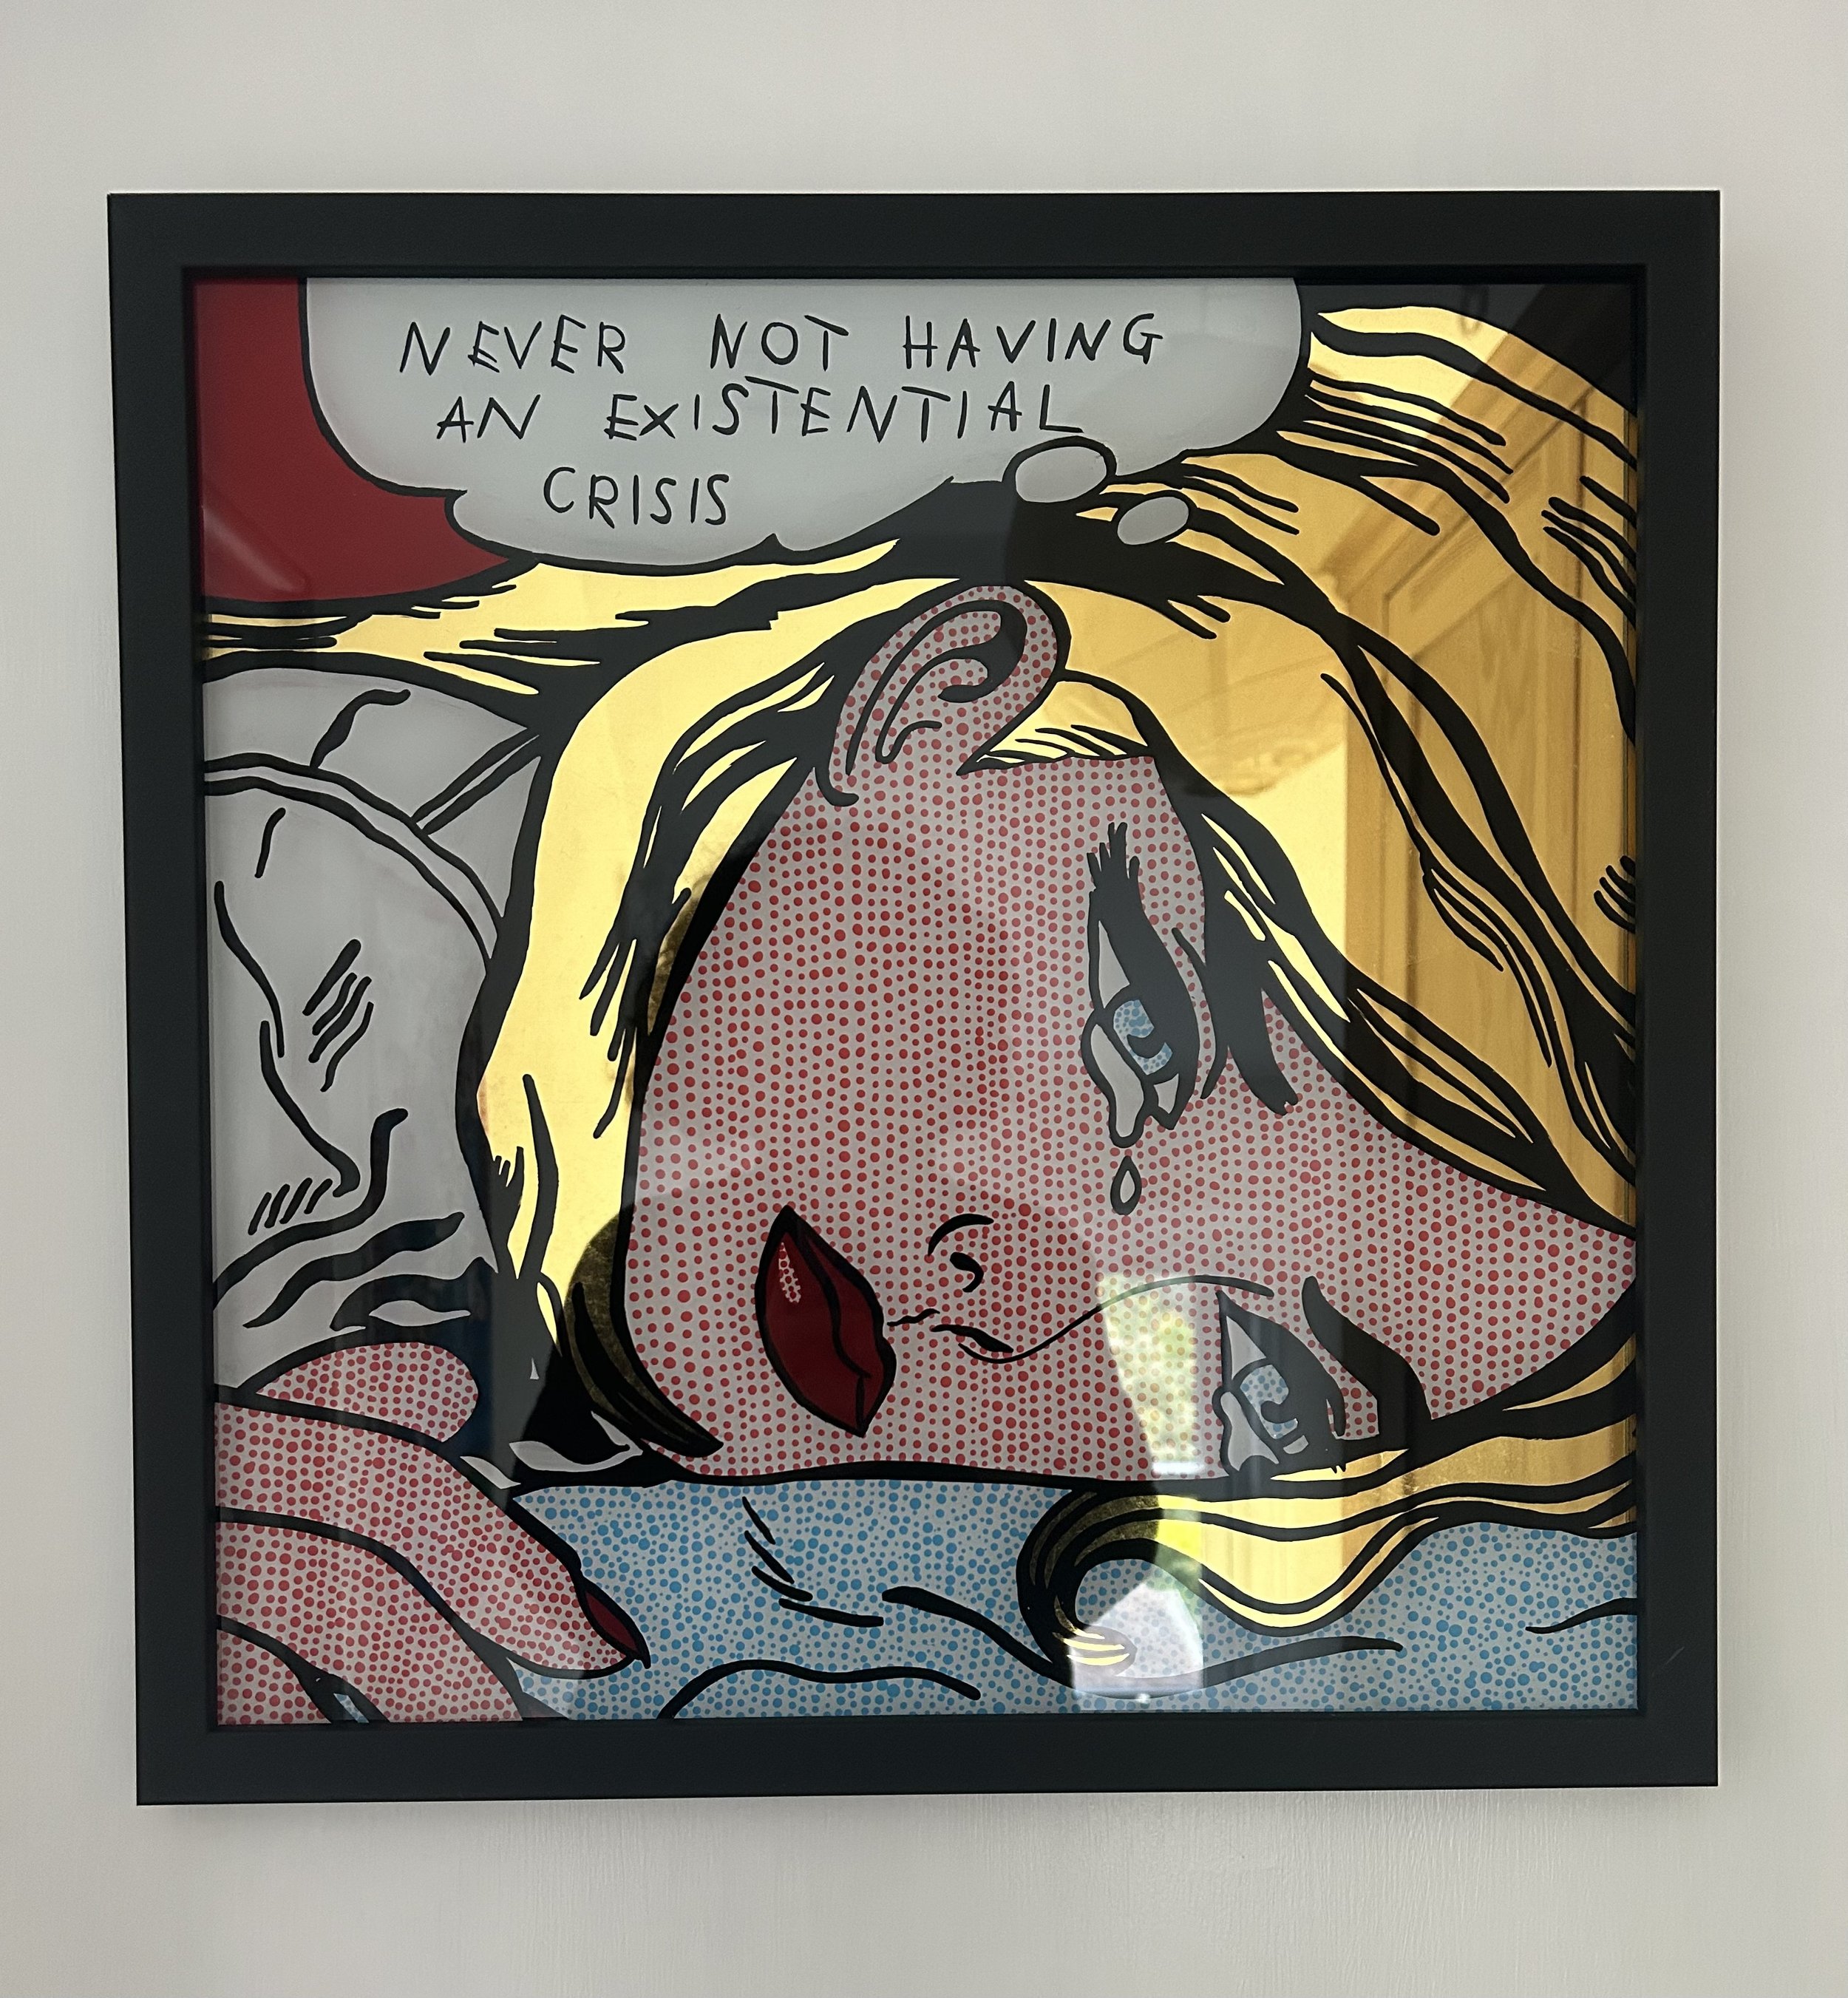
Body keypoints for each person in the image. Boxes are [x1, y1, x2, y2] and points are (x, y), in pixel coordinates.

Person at [211, 299, 1643, 1721]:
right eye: (1142, 1034)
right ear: (934, 698)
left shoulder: (550, 1390)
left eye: (1264, 1385)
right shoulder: (282, 914)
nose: (1022, 1300)